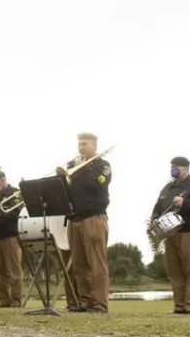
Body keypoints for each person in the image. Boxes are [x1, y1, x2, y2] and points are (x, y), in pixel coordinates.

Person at [57, 132, 111, 313]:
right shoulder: (74, 167)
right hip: (75, 219)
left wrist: (82, 169)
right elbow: (64, 192)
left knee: (96, 262)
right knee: (79, 264)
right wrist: (62, 178)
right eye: (79, 145)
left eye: (85, 144)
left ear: (94, 146)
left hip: (94, 217)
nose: (81, 148)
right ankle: (85, 300)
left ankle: (100, 303)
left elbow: (97, 185)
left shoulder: (102, 165)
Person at [150, 156, 190, 315]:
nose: (173, 169)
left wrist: (185, 203)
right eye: (172, 166)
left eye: (176, 167)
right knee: (174, 271)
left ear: (186, 169)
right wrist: (154, 218)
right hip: (170, 234)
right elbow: (157, 206)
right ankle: (179, 306)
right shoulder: (167, 188)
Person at [0, 171, 24, 307]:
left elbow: (16, 211)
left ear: (2, 180)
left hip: (11, 235)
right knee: (0, 270)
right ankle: (4, 301)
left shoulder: (14, 192)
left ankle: (16, 300)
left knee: (14, 270)